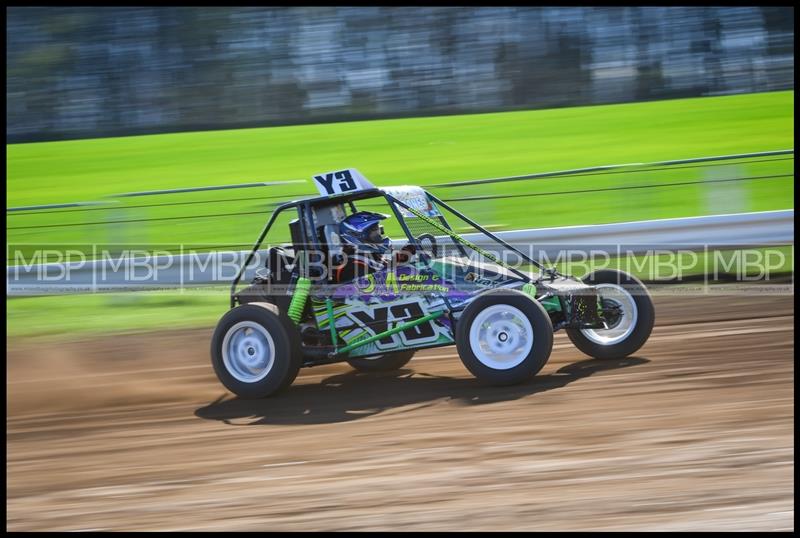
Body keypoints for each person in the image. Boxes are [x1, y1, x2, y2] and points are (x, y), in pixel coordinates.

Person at [333, 211, 415, 282]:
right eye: (375, 232)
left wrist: (407, 253)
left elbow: (387, 266)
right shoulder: (354, 267)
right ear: (358, 236)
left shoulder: (371, 257)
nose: (380, 236)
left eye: (379, 230)